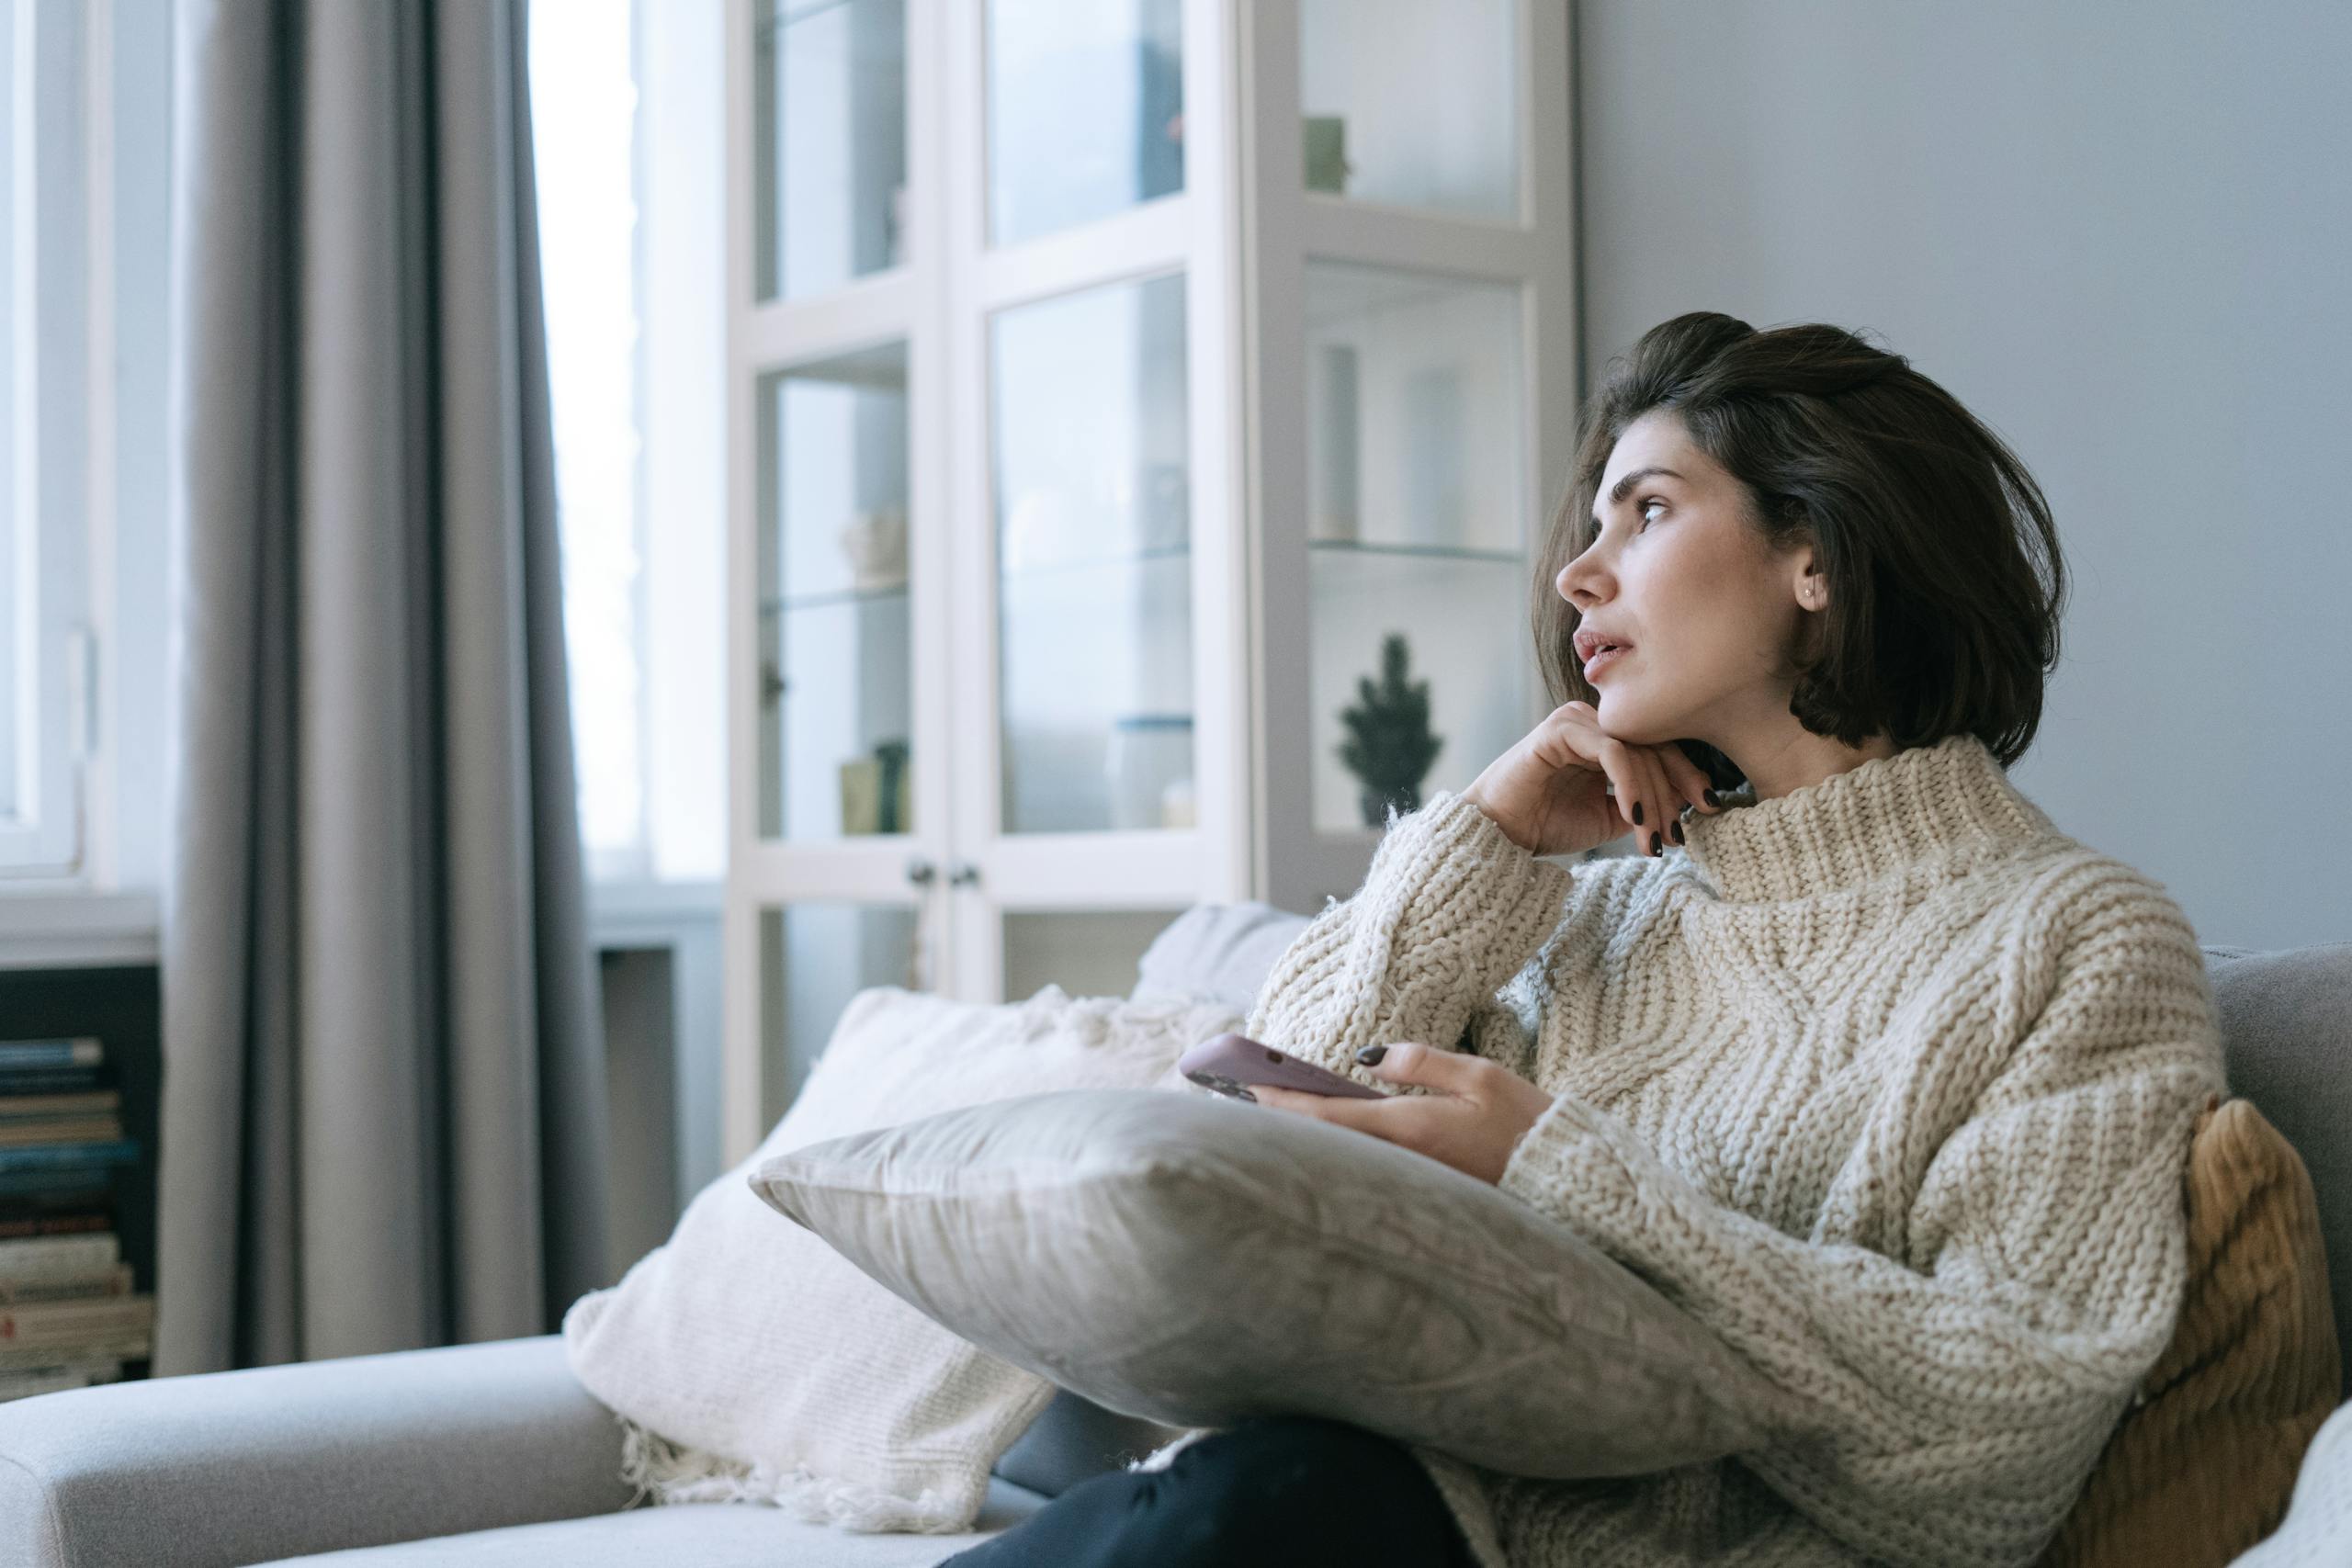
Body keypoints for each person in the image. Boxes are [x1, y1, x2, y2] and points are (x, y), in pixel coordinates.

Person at [944, 310, 2226, 1568]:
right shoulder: (1592, 917)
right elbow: (1235, 1151)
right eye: (1594, 520)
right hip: (1313, 1495)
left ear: (1817, 557)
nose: (1577, 571)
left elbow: (2001, 1444)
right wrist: (1487, 839)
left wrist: (1553, 1174)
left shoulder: (2075, 940)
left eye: (1650, 510)